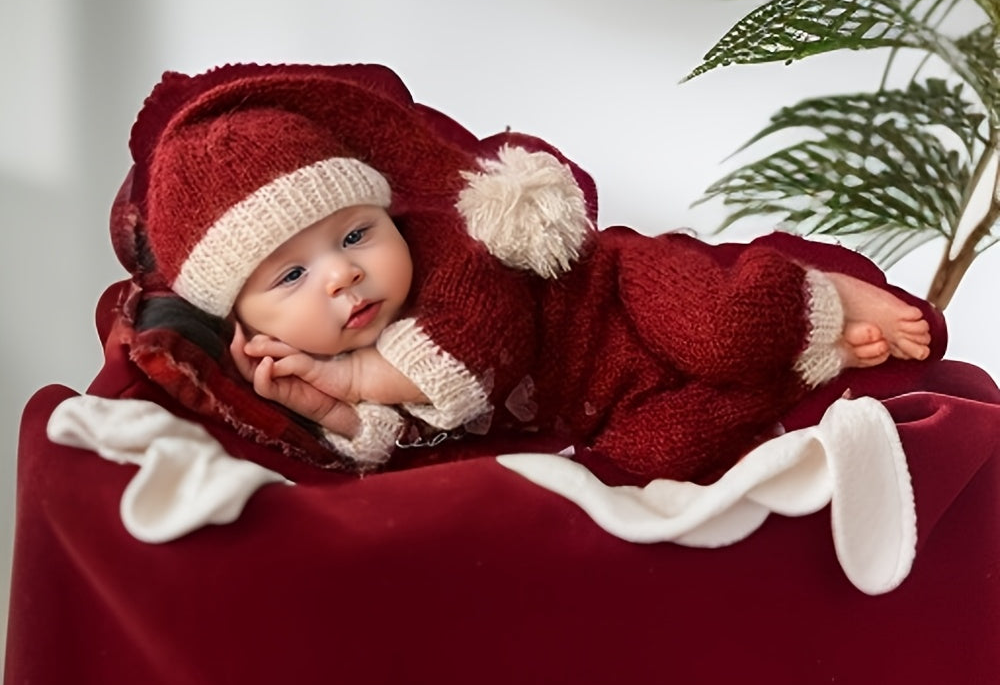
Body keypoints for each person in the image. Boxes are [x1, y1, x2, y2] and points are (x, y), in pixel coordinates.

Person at [137, 61, 935, 483]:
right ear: (246, 324)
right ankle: (800, 366)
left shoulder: (454, 254)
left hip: (625, 297)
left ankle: (811, 294)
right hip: (612, 394)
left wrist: (349, 383)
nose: (342, 277)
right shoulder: (344, 360)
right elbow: (413, 433)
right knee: (652, 458)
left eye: (354, 234)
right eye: (290, 278)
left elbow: (484, 347)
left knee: (722, 332)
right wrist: (330, 410)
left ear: (390, 217)